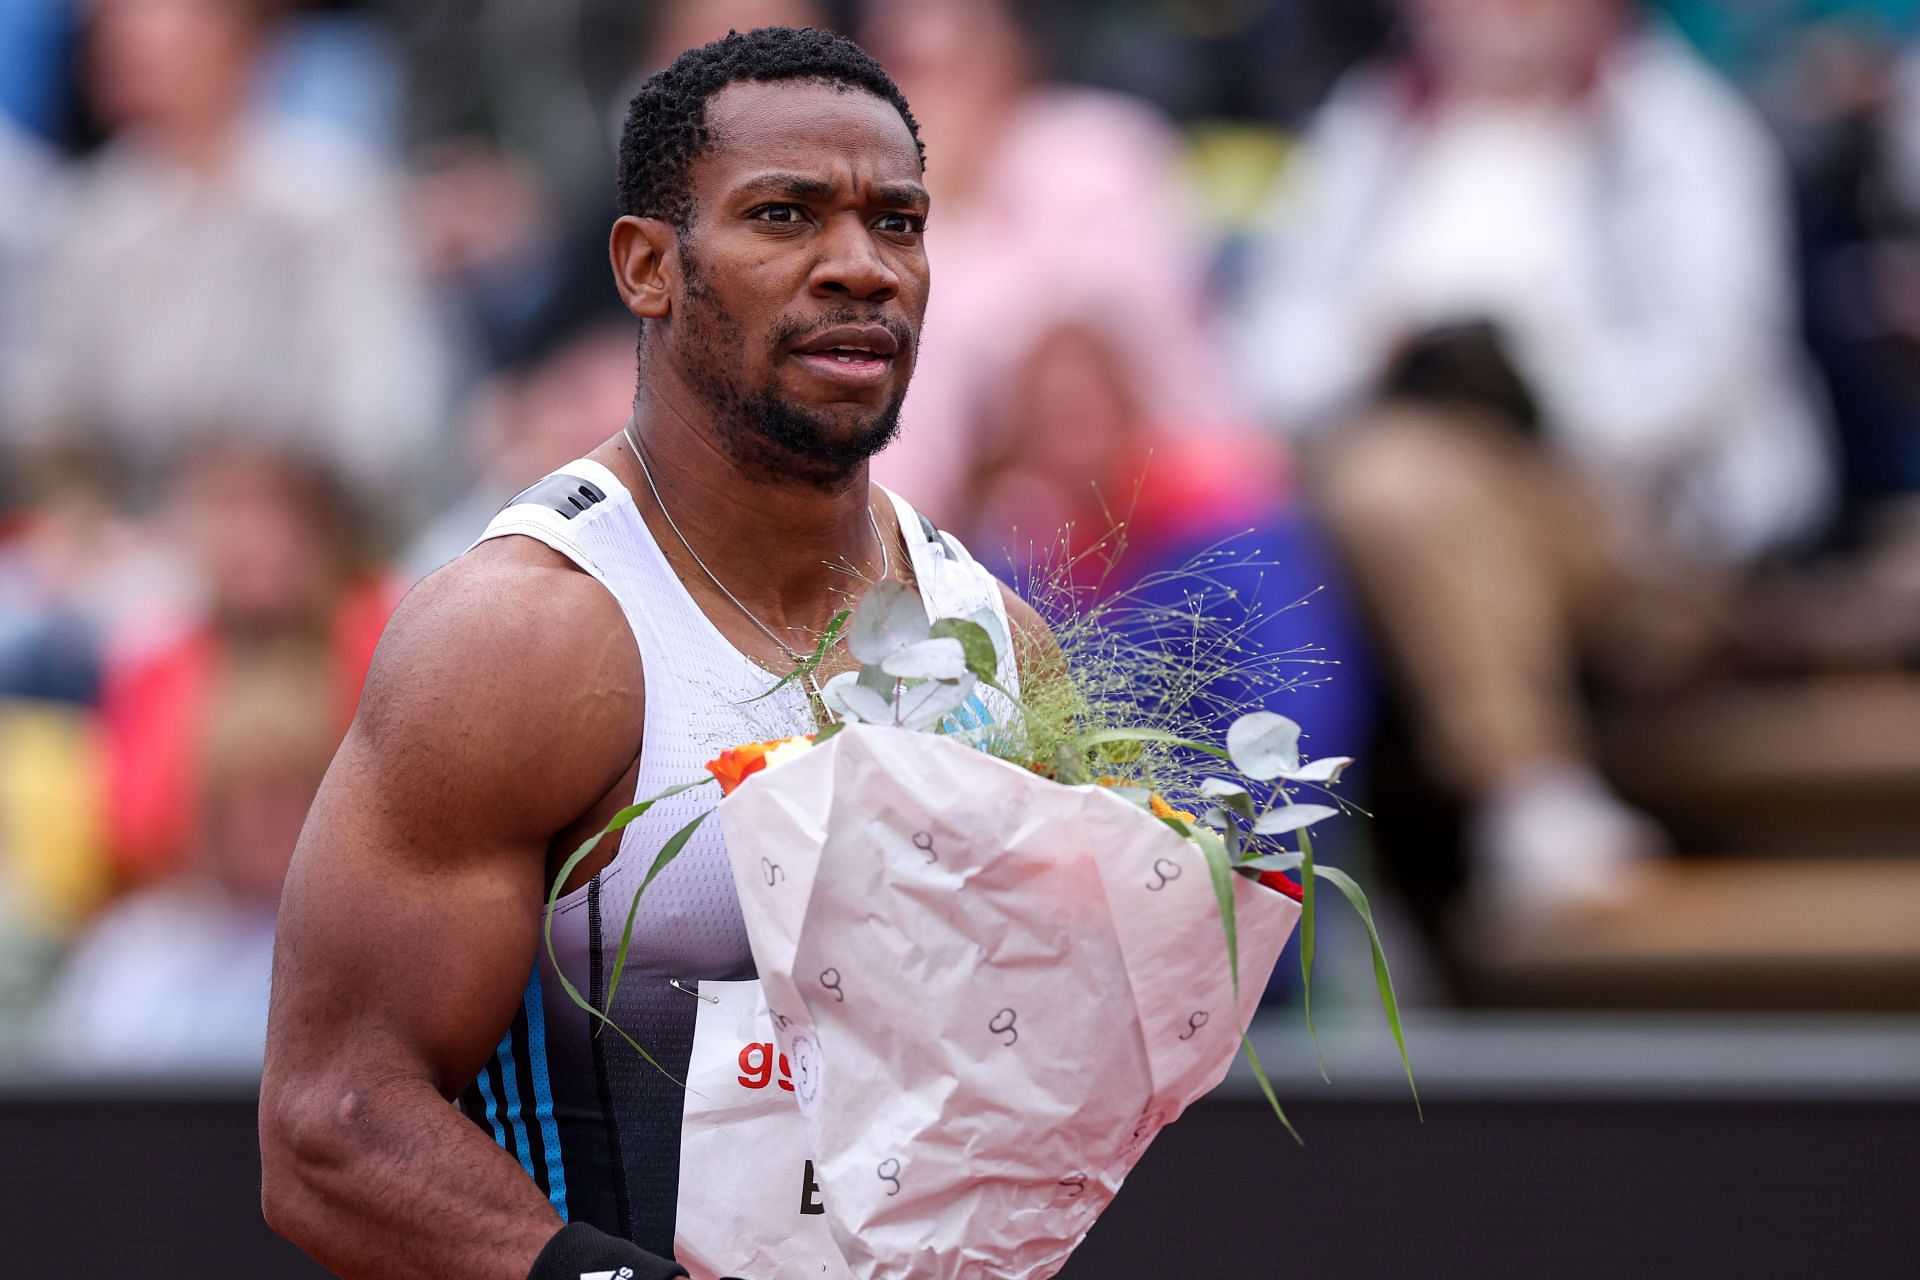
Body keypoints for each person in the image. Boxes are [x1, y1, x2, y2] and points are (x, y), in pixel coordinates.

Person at [259, 28, 1049, 1280]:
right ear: (646, 266)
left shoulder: (1002, 643)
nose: (860, 268)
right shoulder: (527, 638)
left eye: (897, 224)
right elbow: (331, 1124)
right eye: (785, 215)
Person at [1235, 0, 1833, 915]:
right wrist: (1386, 343)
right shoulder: (1372, 127)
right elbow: (1265, 355)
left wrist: (1524, 381)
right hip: (1389, 476)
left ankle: (1531, 790)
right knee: (1384, 478)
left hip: (1631, 514)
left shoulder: (1681, 128)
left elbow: (1709, 371)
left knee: (1401, 482)